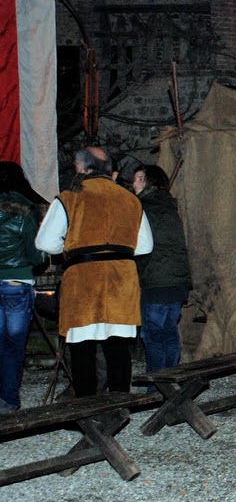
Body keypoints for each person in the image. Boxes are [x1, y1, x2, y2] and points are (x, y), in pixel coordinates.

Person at [35, 147, 154, 398]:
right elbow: (145, 246)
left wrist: (73, 247)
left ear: (81, 167)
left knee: (82, 346)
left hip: (84, 279)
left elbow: (45, 243)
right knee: (118, 346)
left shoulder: (69, 198)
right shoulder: (131, 199)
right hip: (121, 279)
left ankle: (86, 406)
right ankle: (119, 405)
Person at [132, 164, 191, 373]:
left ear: (149, 181)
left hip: (156, 280)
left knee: (153, 334)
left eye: (139, 178)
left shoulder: (143, 207)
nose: (134, 183)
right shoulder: (169, 205)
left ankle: (157, 383)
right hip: (176, 280)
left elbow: (140, 246)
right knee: (168, 332)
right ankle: (171, 380)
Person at [0, 163, 47, 412]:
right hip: (17, 284)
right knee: (14, 345)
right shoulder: (25, 212)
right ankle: (8, 400)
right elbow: (36, 258)